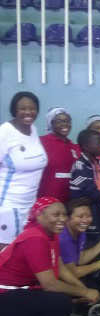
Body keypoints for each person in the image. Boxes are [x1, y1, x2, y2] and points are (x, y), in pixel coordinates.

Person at [0, 197, 100, 316]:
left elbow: (60, 268)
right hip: (4, 294)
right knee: (61, 304)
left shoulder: (51, 235)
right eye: (56, 214)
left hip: (17, 290)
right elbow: (49, 284)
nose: (62, 219)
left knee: (65, 296)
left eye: (64, 214)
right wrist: (85, 292)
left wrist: (82, 289)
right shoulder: (35, 238)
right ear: (39, 216)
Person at [0, 92, 48, 246]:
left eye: (32, 109)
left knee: (22, 250)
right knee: (5, 252)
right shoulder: (5, 132)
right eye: (23, 109)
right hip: (8, 205)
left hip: (29, 204)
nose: (28, 112)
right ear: (14, 110)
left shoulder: (32, 129)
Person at [70, 130, 100, 248]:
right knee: (90, 245)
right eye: (98, 143)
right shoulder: (79, 166)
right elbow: (91, 193)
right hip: (87, 215)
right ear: (86, 146)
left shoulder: (98, 163)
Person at [59, 197, 100, 278]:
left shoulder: (80, 231)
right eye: (80, 217)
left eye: (89, 216)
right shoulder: (63, 237)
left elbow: (80, 259)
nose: (85, 220)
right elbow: (73, 273)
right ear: (67, 218)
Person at [38, 107, 80, 202]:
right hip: (47, 199)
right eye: (59, 121)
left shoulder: (74, 147)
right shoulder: (41, 142)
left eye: (67, 121)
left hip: (69, 200)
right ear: (51, 124)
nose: (65, 124)